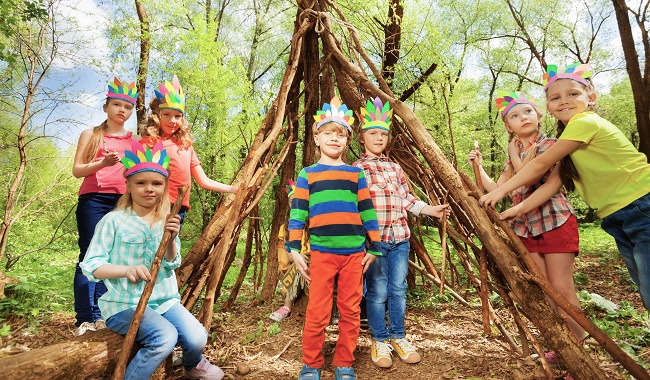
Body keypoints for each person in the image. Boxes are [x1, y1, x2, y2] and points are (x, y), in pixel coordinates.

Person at [479, 63, 650, 311]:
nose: (564, 101)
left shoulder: (584, 123)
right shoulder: (570, 137)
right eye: (555, 97)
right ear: (548, 107)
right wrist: (517, 207)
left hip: (639, 204)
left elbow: (539, 166)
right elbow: (547, 181)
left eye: (573, 94)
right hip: (617, 214)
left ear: (591, 97)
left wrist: (500, 192)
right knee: (644, 286)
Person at [80, 140, 224, 380]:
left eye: (157, 183)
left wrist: (170, 239)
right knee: (164, 337)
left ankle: (192, 366)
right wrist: (125, 270)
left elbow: (171, 264)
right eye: (141, 183)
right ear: (128, 186)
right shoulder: (113, 221)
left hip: (164, 301)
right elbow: (92, 266)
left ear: (165, 187)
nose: (149, 189)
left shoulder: (166, 221)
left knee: (198, 337)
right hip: (125, 304)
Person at [469, 91, 584, 350]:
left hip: (555, 220)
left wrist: (512, 151)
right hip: (526, 227)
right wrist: (478, 166)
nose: (523, 118)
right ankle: (564, 349)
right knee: (546, 291)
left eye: (528, 112)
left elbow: (531, 176)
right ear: (508, 126)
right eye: (515, 116)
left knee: (562, 288)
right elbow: (498, 188)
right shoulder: (515, 154)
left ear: (539, 115)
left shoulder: (551, 144)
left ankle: (579, 345)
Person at [288, 97, 382, 380]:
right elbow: (298, 214)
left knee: (351, 312)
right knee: (317, 313)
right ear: (316, 137)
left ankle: (344, 362)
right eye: (328, 133)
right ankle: (311, 364)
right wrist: (293, 249)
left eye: (340, 134)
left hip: (354, 254)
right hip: (321, 254)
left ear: (347, 140)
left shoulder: (356, 174)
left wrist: (375, 247)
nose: (334, 138)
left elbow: (367, 211)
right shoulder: (307, 175)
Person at [353, 97, 451, 369]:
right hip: (374, 242)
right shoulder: (356, 169)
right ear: (362, 138)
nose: (379, 138)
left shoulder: (395, 168)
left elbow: (406, 198)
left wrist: (430, 210)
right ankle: (379, 339)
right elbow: (353, 207)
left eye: (383, 134)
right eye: (373, 133)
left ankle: (398, 335)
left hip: (400, 238)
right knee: (377, 291)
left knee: (399, 289)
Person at [71, 78, 138, 336]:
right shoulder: (91, 135)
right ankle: (84, 319)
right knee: (88, 257)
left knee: (110, 258)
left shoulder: (136, 141)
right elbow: (77, 170)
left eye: (127, 107)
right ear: (106, 107)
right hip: (94, 200)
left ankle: (102, 316)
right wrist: (102, 163)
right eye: (117, 104)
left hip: (122, 202)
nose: (122, 110)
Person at [140, 75, 237, 224]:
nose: (172, 121)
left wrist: (234, 189)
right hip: (154, 205)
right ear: (156, 115)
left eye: (178, 116)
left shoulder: (186, 145)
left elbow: (203, 181)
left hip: (179, 208)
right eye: (166, 115)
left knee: (171, 245)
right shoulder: (148, 143)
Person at [270, 180, 311, 323]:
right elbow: (287, 256)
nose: (294, 204)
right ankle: (287, 307)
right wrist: (300, 256)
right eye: (291, 201)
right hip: (296, 265)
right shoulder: (285, 228)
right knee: (299, 267)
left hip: (316, 263)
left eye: (298, 201)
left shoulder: (314, 224)